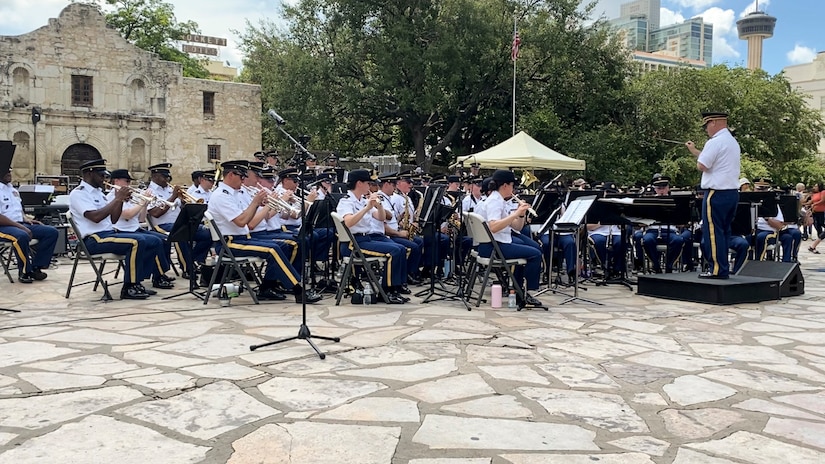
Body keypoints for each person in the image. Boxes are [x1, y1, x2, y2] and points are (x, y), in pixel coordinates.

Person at [207, 160, 321, 303]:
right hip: (229, 243)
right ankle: (299, 290)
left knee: (284, 245)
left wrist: (260, 204)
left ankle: (268, 286)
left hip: (243, 237)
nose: (243, 180)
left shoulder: (236, 193)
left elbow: (248, 219)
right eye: (241, 176)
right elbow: (243, 222)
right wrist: (256, 203)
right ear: (230, 175)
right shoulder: (221, 196)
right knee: (273, 249)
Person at [69, 159, 164, 299]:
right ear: (89, 174)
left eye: (105, 175)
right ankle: (129, 287)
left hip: (108, 233)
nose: (104, 179)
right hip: (93, 239)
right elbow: (95, 217)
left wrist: (121, 200)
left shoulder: (99, 193)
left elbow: (113, 219)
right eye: (101, 175)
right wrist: (117, 199)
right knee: (137, 241)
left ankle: (138, 281)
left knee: (154, 241)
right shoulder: (78, 194)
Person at [335, 169, 408, 304]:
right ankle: (387, 290)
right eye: (368, 183)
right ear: (359, 183)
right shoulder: (346, 202)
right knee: (394, 251)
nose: (370, 186)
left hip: (365, 239)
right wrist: (367, 208)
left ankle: (397, 287)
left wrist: (378, 205)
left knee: (401, 248)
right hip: (353, 243)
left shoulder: (363, 200)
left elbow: (380, 217)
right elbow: (349, 222)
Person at [686, 112, 741, 279]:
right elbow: (713, 161)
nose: (706, 130)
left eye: (707, 125)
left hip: (716, 193)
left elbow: (702, 165)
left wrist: (696, 154)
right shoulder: (732, 142)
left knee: (712, 233)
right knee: (723, 232)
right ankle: (722, 268)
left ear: (714, 123)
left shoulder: (714, 142)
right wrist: (695, 150)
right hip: (731, 192)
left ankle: (717, 269)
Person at [480, 169, 544, 308]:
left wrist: (520, 214)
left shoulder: (500, 200)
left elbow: (517, 227)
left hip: (502, 239)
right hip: (494, 245)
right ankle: (525, 292)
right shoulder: (494, 202)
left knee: (535, 247)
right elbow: (494, 227)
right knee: (535, 254)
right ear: (505, 186)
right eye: (512, 185)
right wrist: (515, 214)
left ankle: (519, 290)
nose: (513, 189)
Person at [105, 169, 175, 290]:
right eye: (126, 181)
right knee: (151, 241)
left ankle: (159, 274)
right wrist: (143, 201)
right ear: (116, 181)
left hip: (135, 229)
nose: (129, 185)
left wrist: (146, 203)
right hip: (122, 231)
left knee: (164, 239)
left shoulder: (130, 196)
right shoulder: (111, 197)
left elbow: (141, 219)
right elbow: (127, 215)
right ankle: (153, 277)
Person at [146, 163, 213, 278]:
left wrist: (182, 202)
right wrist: (173, 197)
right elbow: (155, 213)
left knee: (208, 233)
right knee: (180, 234)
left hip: (179, 223)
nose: (167, 179)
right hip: (161, 225)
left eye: (168, 176)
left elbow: (181, 209)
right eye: (164, 176)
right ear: (155, 176)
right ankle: (187, 268)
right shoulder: (150, 191)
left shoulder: (168, 189)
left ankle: (196, 260)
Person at [0, 158, 59, 283]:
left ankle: (37, 267)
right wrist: (20, 226)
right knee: (22, 235)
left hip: (18, 224)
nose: (9, 174)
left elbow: (18, 210)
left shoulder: (13, 190)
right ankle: (25, 272)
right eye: (6, 172)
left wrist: (27, 219)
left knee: (51, 232)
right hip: (3, 227)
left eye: (10, 171)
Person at [806, 182, 825, 253]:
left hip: (821, 212)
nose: (814, 187)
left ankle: (813, 246)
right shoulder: (814, 194)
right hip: (815, 212)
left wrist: (814, 204)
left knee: (820, 226)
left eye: (816, 186)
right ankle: (813, 246)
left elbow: (822, 200)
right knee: (818, 226)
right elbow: (809, 202)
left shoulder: (823, 192)